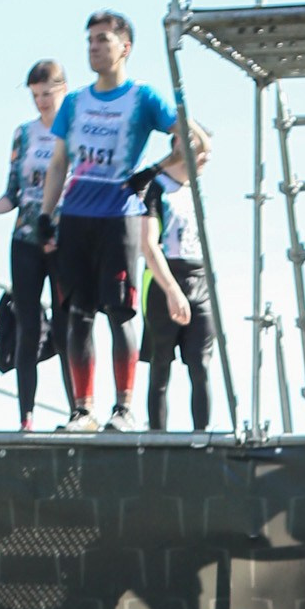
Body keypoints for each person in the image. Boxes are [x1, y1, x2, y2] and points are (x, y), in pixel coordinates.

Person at [39, 12, 177, 434]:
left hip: (119, 217)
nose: (94, 47)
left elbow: (197, 140)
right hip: (76, 217)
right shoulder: (76, 101)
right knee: (77, 314)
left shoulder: (144, 97)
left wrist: (154, 170)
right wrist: (46, 216)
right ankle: (82, 411)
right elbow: (59, 161)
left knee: (120, 312)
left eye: (102, 40)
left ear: (125, 47)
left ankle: (125, 409)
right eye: (89, 41)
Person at [0, 59, 65, 434]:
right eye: (36, 96)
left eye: (47, 94)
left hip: (63, 239)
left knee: (69, 325)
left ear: (63, 90)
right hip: (24, 238)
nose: (41, 102)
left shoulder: (74, 130)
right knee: (27, 325)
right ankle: (26, 417)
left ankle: (78, 412)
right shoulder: (23, 134)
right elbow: (13, 194)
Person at [139, 123, 215, 433]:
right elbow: (148, 244)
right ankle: (158, 438)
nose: (207, 157)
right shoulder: (156, 187)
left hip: (199, 279)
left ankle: (203, 438)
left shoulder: (195, 190)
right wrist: (171, 290)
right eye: (202, 149)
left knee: (201, 365)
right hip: (163, 279)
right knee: (160, 367)